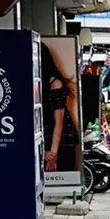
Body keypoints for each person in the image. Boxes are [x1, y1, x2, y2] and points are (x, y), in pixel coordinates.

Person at [41, 43, 80, 172]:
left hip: (61, 143)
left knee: (61, 181)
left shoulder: (54, 83)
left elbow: (59, 122)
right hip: (46, 140)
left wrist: (52, 155)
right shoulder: (37, 82)